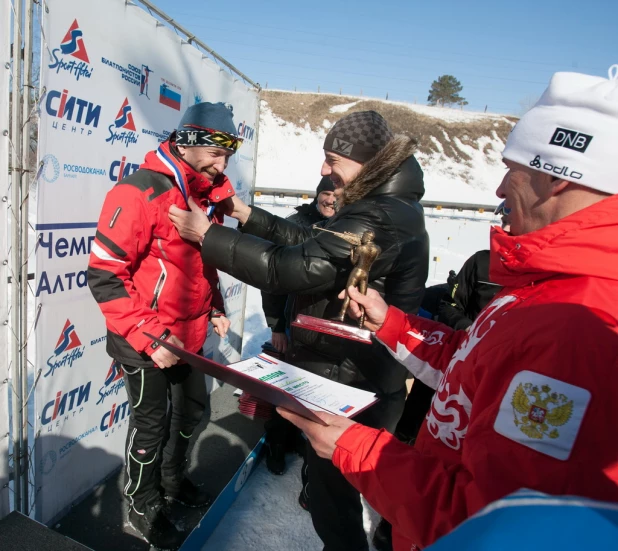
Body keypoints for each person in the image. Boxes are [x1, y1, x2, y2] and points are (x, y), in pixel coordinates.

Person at [276, 67, 618, 551]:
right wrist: (390, 322)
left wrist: (354, 446)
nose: (499, 189)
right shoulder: (547, 286)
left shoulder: (573, 324)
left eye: (512, 168)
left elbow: (489, 526)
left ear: (556, 178)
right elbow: (477, 364)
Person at [169, 110, 429, 551]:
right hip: (348, 372)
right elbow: (312, 241)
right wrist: (246, 214)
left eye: (333, 160)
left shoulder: (380, 216)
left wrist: (207, 235)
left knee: (334, 505)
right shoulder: (384, 202)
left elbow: (291, 267)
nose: (324, 171)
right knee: (333, 492)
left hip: (351, 381)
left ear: (367, 162)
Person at [88, 102, 239, 550]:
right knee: (151, 426)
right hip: (145, 340)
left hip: (190, 335)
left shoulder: (206, 195)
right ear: (189, 141)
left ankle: (173, 482)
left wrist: (213, 305)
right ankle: (141, 501)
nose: (222, 164)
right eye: (216, 153)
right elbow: (104, 275)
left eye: (229, 156)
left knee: (194, 413)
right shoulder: (138, 192)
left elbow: (199, 261)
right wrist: (150, 337)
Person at [261, 176, 336, 498]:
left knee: (317, 394)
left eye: (337, 195)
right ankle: (276, 445)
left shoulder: (353, 226)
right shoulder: (297, 226)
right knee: (288, 390)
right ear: (317, 195)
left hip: (330, 329)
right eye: (326, 194)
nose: (331, 200)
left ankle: (303, 445)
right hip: (294, 324)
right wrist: (277, 327)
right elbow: (273, 281)